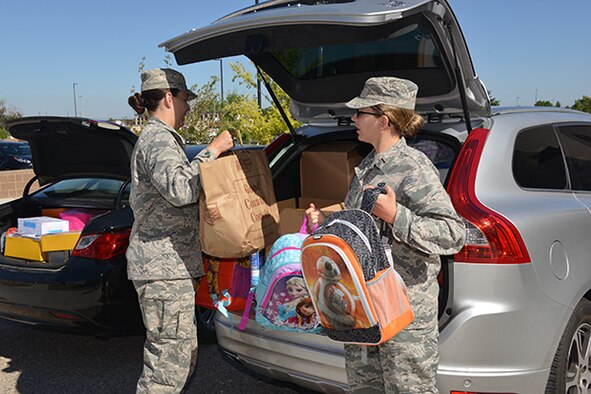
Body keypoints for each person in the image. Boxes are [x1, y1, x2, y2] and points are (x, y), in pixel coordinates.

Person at [306, 76, 466, 393]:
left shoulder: (413, 167)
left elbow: (453, 234)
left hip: (403, 311)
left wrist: (397, 216)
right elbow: (364, 230)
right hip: (365, 309)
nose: (353, 119)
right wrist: (326, 221)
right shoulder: (367, 166)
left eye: (360, 112)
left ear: (384, 119)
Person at [126, 68, 234, 394]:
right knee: (165, 369)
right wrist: (212, 150)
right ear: (170, 97)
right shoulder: (158, 139)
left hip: (170, 268)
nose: (188, 108)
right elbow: (180, 190)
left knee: (180, 356)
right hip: (162, 270)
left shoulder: (162, 139)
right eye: (186, 99)